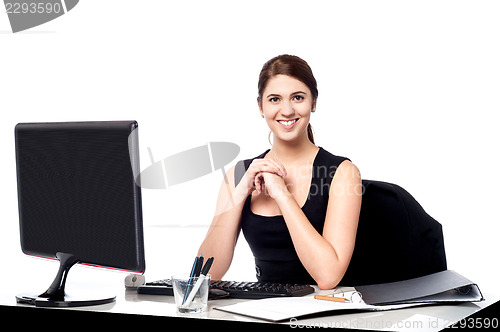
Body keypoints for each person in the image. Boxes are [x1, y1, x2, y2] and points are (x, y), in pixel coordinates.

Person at [198, 54, 447, 289]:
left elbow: (328, 276)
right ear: (260, 106)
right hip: (265, 311)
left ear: (313, 102)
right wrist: (239, 193)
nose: (286, 110)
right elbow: (204, 276)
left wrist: (283, 195)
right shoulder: (239, 174)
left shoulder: (342, 173)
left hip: (327, 310)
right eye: (274, 99)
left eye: (297, 97)